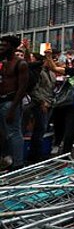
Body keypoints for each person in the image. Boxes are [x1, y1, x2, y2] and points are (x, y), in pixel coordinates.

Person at [0, 35, 29, 170]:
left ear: (12, 47)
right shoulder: (4, 62)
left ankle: (18, 163)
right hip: (2, 101)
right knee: (4, 133)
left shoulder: (20, 64)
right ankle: (7, 160)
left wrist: (12, 108)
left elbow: (22, 88)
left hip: (11, 102)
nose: (1, 47)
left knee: (14, 133)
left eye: (4, 45)